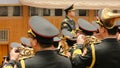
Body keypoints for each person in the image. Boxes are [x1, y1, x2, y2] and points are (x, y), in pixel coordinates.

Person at [4, 16, 72, 68]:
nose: (29, 41)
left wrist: (12, 60)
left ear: (35, 42)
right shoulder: (66, 62)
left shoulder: (24, 64)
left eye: (30, 38)